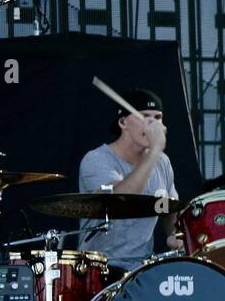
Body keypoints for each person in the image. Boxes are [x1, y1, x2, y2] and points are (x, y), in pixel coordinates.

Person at [78, 87, 182, 271]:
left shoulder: (162, 162)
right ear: (123, 122)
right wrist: (154, 151)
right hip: (100, 269)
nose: (153, 125)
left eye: (157, 118)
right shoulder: (97, 159)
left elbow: (170, 207)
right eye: (144, 117)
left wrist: (175, 234)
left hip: (142, 270)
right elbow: (120, 201)